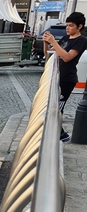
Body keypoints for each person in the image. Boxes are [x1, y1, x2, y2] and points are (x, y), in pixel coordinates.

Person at [43, 11, 87, 142]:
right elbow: (49, 54)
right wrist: (46, 42)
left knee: (57, 108)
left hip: (67, 79)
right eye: (67, 25)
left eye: (71, 25)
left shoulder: (81, 41)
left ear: (79, 26)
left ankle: (60, 135)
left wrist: (54, 43)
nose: (68, 28)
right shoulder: (65, 39)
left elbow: (67, 57)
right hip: (56, 76)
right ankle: (59, 134)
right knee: (51, 107)